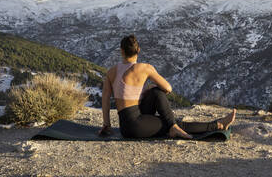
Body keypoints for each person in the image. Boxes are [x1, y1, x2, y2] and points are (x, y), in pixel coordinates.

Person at [98, 34, 236, 139]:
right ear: (138, 50)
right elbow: (168, 88)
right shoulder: (145, 68)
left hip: (125, 126)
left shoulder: (111, 72)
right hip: (136, 127)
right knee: (169, 114)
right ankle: (218, 125)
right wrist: (150, 87)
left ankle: (173, 126)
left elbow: (105, 100)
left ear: (121, 51)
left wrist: (107, 125)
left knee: (156, 93)